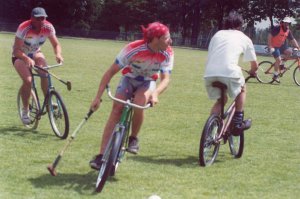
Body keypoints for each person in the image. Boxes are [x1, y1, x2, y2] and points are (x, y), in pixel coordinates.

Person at [89, 22, 174, 170]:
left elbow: (165, 79)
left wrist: (155, 94)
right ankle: (101, 155)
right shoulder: (133, 48)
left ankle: (133, 138)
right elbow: (109, 72)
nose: (170, 41)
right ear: (156, 38)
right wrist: (97, 97)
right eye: (167, 38)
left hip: (147, 82)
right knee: (117, 109)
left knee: (140, 103)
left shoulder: (167, 52)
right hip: (128, 79)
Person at [204, 11, 258, 136]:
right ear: (240, 26)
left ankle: (210, 132)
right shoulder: (244, 37)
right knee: (242, 89)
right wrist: (253, 72)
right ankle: (238, 122)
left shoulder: (217, 34)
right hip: (230, 72)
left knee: (221, 100)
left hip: (209, 73)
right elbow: (254, 65)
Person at [12, 7, 63, 124]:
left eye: (43, 18)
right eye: (38, 19)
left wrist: (58, 54)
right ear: (32, 19)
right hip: (20, 55)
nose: (41, 21)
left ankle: (47, 101)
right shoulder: (24, 28)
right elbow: (16, 51)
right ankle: (25, 110)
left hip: (35, 52)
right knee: (28, 81)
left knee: (45, 73)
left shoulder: (48, 27)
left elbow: (56, 45)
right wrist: (26, 58)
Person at [267, 16, 300, 83]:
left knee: (289, 52)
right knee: (278, 59)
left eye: (288, 23)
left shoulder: (288, 30)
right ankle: (275, 75)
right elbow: (269, 36)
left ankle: (281, 64)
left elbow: (292, 40)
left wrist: (298, 47)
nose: (287, 24)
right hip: (274, 46)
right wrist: (270, 46)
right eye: (285, 23)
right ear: (283, 22)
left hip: (281, 46)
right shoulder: (277, 28)